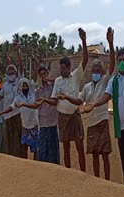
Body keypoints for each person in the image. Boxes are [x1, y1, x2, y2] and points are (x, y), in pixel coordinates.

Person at [86, 15, 124, 189]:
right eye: (119, 60)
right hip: (122, 129)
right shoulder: (113, 80)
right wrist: (93, 104)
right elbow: (106, 96)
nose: (121, 62)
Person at [57, 27, 115, 179]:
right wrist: (67, 98)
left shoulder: (104, 81)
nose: (95, 72)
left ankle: (107, 180)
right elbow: (79, 100)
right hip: (91, 124)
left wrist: (110, 42)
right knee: (94, 154)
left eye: (98, 70)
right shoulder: (87, 87)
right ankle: (96, 179)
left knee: (104, 154)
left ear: (102, 72)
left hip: (102, 121)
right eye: (93, 70)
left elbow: (112, 64)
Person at [45, 28, 88, 171]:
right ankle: (69, 174)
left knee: (79, 145)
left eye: (63, 68)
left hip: (74, 115)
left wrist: (83, 40)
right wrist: (45, 101)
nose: (62, 71)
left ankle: (83, 173)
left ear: (69, 67)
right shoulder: (57, 81)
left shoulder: (76, 76)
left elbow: (85, 60)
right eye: (60, 68)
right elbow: (54, 100)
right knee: (66, 147)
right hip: (62, 117)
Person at [0, 42, 25, 158]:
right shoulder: (5, 85)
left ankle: (20, 159)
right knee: (8, 139)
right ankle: (11, 160)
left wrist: (17, 51)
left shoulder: (19, 81)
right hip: (7, 117)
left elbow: (21, 66)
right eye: (9, 73)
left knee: (18, 139)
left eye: (12, 73)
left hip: (17, 115)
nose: (11, 75)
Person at [20, 58, 60, 164]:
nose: (43, 76)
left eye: (44, 73)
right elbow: (35, 105)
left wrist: (49, 80)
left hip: (52, 123)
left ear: (47, 73)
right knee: (42, 150)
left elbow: (55, 101)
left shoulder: (53, 86)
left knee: (52, 151)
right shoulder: (39, 90)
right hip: (42, 123)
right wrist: (23, 104)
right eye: (41, 75)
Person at [0, 78, 38, 159]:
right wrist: (1, 113)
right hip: (25, 125)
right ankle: (26, 163)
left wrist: (23, 104)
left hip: (34, 124)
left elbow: (36, 105)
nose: (24, 87)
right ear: (20, 87)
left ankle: (36, 163)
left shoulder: (33, 95)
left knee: (35, 147)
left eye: (26, 85)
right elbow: (11, 107)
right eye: (23, 85)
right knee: (24, 146)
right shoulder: (18, 98)